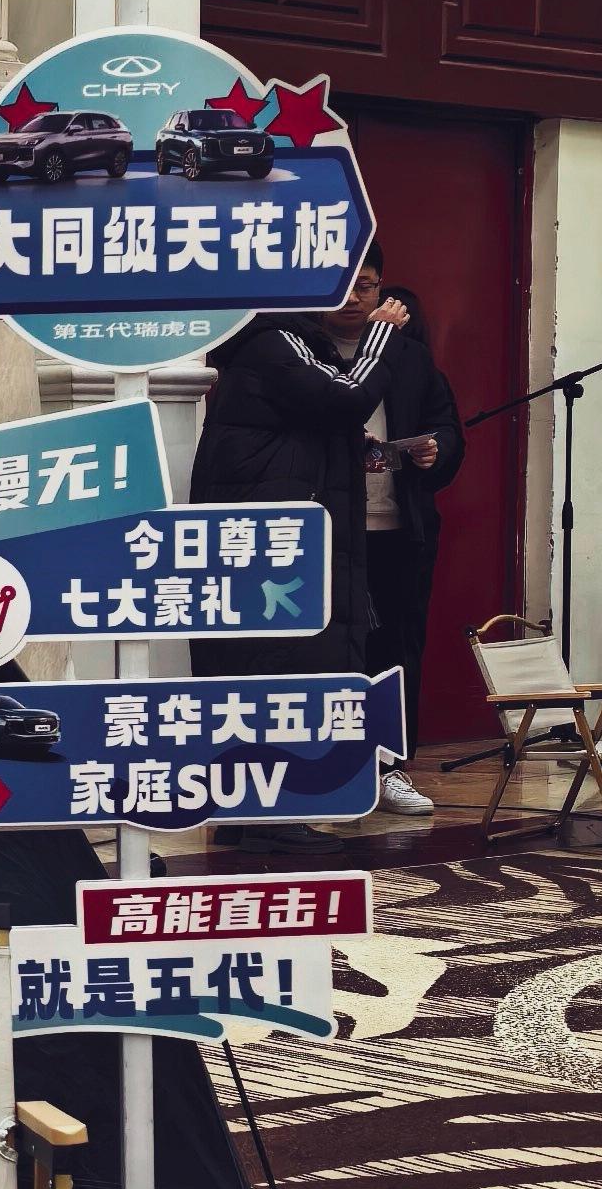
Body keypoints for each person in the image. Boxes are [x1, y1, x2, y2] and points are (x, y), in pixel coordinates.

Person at [189, 264, 429, 818]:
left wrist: (347, 444)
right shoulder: (274, 340)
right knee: (280, 670)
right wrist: (382, 333)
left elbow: (306, 421)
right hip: (279, 546)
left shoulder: (280, 341)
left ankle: (266, 813)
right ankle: (273, 813)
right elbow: (347, 396)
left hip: (284, 540)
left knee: (287, 668)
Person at [356, 276, 463, 815]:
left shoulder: (413, 359)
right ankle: (334, 769)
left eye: (366, 287)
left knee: (397, 651)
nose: (355, 298)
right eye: (346, 286)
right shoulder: (309, 351)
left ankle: (391, 767)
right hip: (331, 529)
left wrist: (436, 449)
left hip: (402, 527)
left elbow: (448, 428)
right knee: (332, 650)